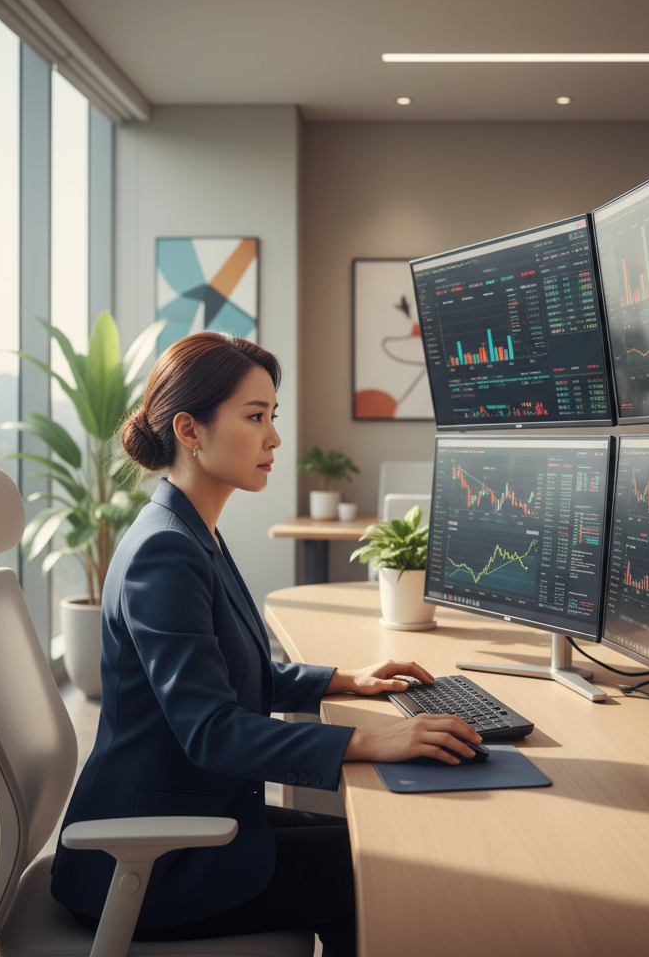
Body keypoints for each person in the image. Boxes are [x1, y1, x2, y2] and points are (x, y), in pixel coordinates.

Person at [49, 332, 481, 957]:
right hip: (148, 864)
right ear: (190, 430)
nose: (274, 437)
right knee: (390, 872)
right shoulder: (166, 551)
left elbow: (222, 671)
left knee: (368, 848)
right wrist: (371, 740)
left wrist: (342, 679)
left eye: (271, 416)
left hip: (193, 814)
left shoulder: (190, 531)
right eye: (255, 417)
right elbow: (212, 729)